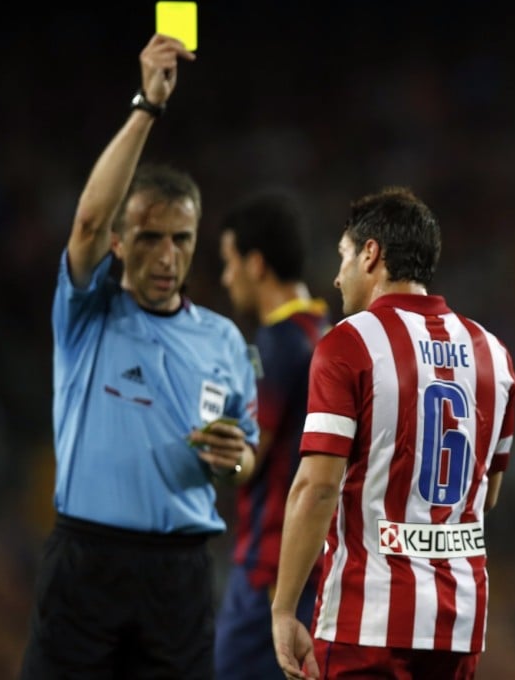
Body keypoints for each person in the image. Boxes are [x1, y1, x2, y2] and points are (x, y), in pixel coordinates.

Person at [20, 34, 260, 679]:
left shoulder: (224, 342)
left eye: (180, 239)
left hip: (178, 575)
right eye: (149, 238)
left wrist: (239, 458)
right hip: (85, 564)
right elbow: (86, 222)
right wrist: (146, 107)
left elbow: (250, 453)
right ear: (121, 244)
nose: (166, 255)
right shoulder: (86, 314)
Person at [270, 186, 515, 680]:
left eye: (343, 257)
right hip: (459, 620)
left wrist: (283, 608)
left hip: (367, 619)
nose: (337, 278)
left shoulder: (347, 343)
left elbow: (317, 487)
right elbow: (487, 494)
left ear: (371, 254)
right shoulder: (495, 354)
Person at [215, 190, 332, 678]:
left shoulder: (273, 343)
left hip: (271, 567)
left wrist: (213, 448)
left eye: (229, 262)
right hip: (319, 563)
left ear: (256, 263)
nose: (226, 278)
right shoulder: (328, 334)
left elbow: (250, 458)